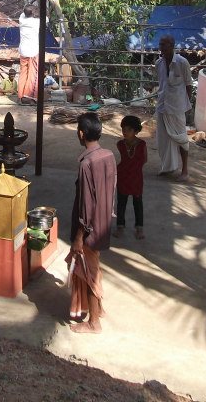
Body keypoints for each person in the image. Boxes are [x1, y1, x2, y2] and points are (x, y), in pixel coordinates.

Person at [66, 112, 117, 334]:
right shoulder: (108, 156)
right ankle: (100, 309)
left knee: (88, 273)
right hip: (104, 223)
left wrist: (79, 236)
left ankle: (94, 322)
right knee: (93, 267)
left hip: (89, 229)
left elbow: (86, 204)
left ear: (81, 133)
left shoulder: (86, 163)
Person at [155, 34, 193, 181]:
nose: (161, 48)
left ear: (171, 46)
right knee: (163, 139)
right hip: (162, 106)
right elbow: (162, 85)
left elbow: (189, 86)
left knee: (181, 138)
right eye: (160, 44)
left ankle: (185, 171)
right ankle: (167, 168)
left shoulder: (182, 63)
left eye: (164, 44)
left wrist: (185, 105)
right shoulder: (158, 63)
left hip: (177, 108)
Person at [113, 115, 147, 240]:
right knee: (121, 203)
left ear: (136, 131)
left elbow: (145, 159)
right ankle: (120, 226)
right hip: (123, 177)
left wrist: (134, 168)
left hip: (136, 178)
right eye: (123, 129)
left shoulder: (142, 144)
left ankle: (139, 228)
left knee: (138, 203)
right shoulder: (120, 144)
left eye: (128, 130)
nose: (125, 132)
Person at [18, 4, 40, 104]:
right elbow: (46, 18)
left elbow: (24, 12)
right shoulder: (36, 22)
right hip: (32, 51)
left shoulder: (21, 19)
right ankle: (28, 96)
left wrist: (31, 9)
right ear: (32, 13)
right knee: (33, 74)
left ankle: (20, 95)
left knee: (23, 73)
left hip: (23, 50)